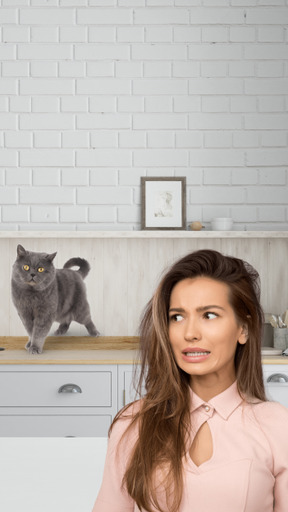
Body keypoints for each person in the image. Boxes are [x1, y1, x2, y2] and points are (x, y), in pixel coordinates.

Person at [92, 249, 288, 512]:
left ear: (243, 328)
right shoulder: (133, 424)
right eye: (177, 317)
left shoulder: (277, 425)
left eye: (209, 315)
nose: (190, 333)